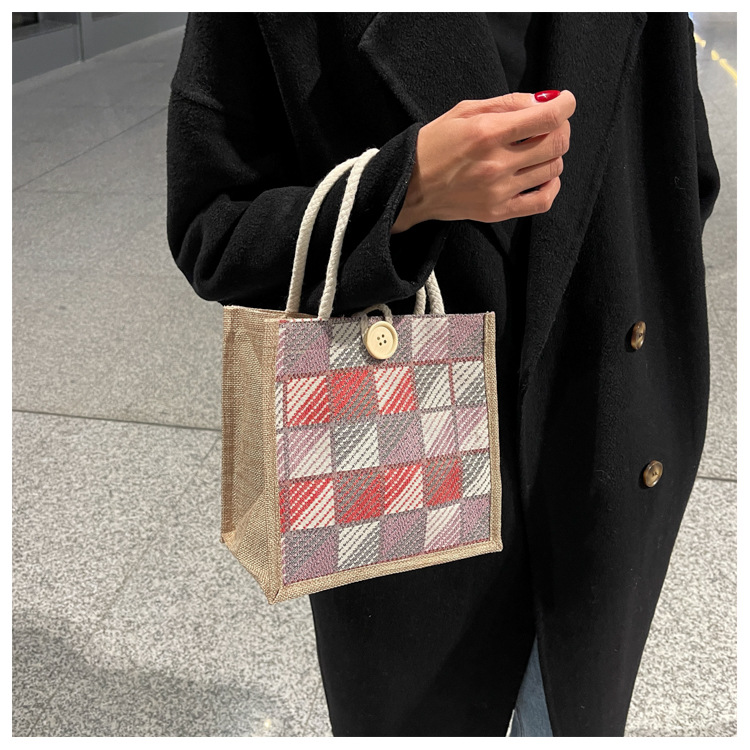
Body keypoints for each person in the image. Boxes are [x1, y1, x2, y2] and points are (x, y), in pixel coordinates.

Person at [166, 12, 720, 737]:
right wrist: (408, 191)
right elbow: (212, 228)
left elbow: (679, 177)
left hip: (608, 450)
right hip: (399, 492)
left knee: (575, 709)